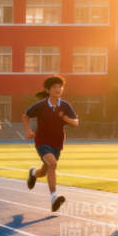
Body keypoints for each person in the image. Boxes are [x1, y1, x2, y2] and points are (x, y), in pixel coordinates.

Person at [23, 76, 77, 212]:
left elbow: (76, 122)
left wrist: (64, 118)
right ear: (48, 90)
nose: (58, 89)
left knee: (45, 170)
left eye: (60, 87)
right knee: (52, 164)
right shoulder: (41, 105)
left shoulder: (65, 106)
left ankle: (34, 173)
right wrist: (28, 130)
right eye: (54, 87)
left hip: (57, 142)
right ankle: (54, 197)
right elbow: (26, 115)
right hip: (42, 141)